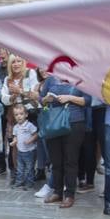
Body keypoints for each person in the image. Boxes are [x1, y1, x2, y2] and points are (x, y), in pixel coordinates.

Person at [40, 71, 91, 208]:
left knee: (71, 160)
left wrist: (70, 98)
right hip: (53, 123)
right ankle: (57, 192)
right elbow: (41, 99)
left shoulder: (81, 78)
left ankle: (69, 194)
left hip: (74, 123)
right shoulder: (51, 79)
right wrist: (46, 99)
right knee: (56, 160)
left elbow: (88, 100)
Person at [10, 104, 38, 189]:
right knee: (20, 168)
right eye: (16, 115)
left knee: (29, 168)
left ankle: (30, 182)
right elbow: (15, 136)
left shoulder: (29, 125)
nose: (19, 116)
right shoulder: (15, 127)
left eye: (21, 114)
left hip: (29, 151)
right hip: (20, 151)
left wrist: (30, 140)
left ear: (26, 114)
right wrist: (14, 142)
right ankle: (19, 182)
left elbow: (36, 135)